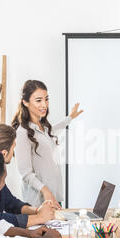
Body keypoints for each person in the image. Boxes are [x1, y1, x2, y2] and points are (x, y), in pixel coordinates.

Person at [12, 80, 84, 208]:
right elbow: (25, 173)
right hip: (39, 200)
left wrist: (70, 118)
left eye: (46, 99)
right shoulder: (22, 133)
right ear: (25, 102)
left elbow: (54, 129)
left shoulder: (43, 127)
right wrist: (46, 191)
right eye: (38, 100)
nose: (44, 105)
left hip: (53, 196)